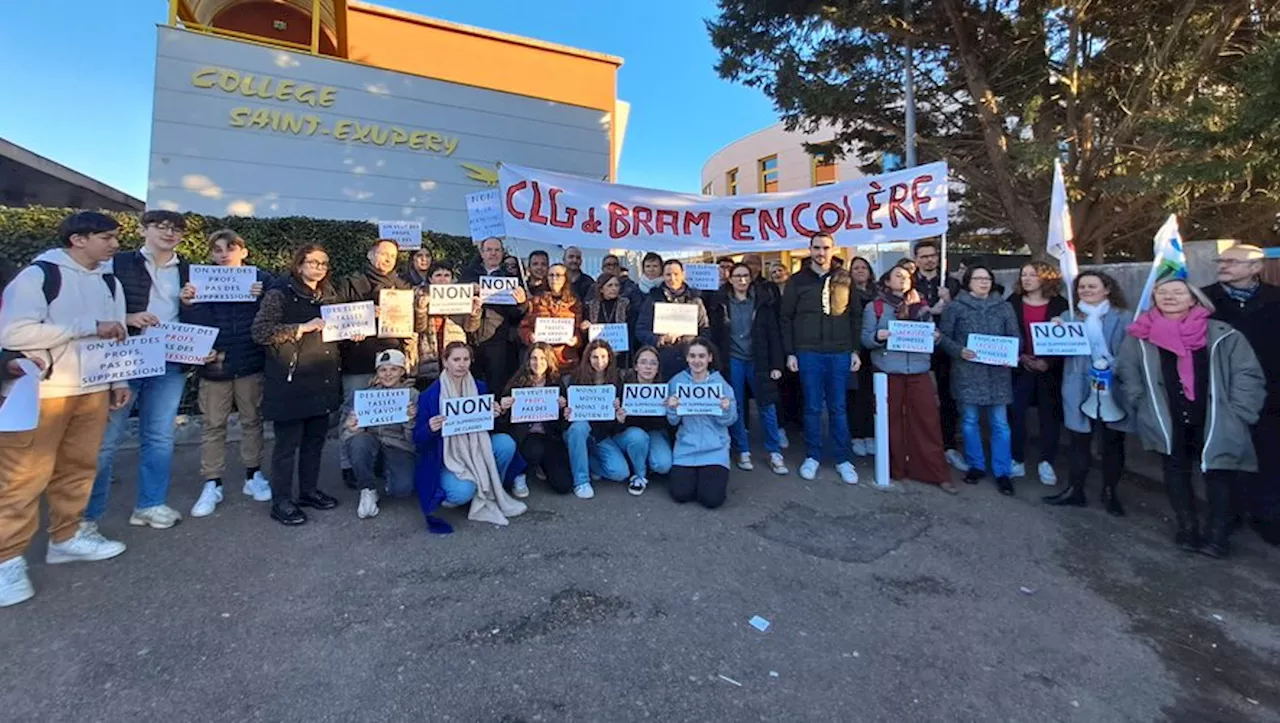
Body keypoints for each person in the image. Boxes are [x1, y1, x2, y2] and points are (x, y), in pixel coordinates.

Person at [0, 212, 130, 608]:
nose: (113, 245)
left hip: (91, 389)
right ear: (78, 239)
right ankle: (6, 559)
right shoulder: (39, 275)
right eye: (106, 238)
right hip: (43, 392)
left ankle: (66, 537)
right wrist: (85, 325)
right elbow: (13, 331)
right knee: (22, 476)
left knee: (79, 466)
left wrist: (118, 381)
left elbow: (118, 331)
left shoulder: (110, 279)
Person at [1118, 279, 1265, 558]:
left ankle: (1218, 535)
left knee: (1219, 476)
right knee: (1175, 473)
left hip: (1216, 417)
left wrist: (1240, 412)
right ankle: (1187, 527)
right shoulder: (1139, 336)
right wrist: (1140, 401)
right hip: (1168, 416)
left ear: (1194, 299)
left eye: (1177, 292)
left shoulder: (1223, 334)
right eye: (1162, 292)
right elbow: (1128, 371)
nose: (1169, 297)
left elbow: (1248, 374)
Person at [87, 210, 196, 530]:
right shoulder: (117, 263)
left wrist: (192, 303)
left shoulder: (188, 269)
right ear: (143, 230)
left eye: (175, 229)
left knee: (160, 436)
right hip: (124, 357)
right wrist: (129, 317)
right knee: (106, 439)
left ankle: (150, 504)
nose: (169, 233)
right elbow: (95, 307)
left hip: (169, 359)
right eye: (160, 227)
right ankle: (86, 517)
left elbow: (198, 312)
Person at [251, 243, 345, 526]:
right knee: (287, 445)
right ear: (299, 264)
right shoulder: (279, 293)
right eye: (313, 262)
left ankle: (308, 491)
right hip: (290, 380)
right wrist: (300, 328)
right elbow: (260, 332)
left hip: (323, 376)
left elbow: (338, 329)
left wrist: (353, 333)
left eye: (323, 263)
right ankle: (281, 500)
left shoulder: (329, 295)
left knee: (315, 441)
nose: (319, 267)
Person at [183, 229, 273, 517]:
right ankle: (212, 482)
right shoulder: (200, 282)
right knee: (213, 425)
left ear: (243, 252)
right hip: (215, 364)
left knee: (252, 420)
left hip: (249, 362)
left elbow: (273, 316)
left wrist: (262, 297)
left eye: (230, 248)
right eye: (218, 250)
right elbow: (192, 323)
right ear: (211, 255)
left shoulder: (262, 280)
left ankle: (253, 475)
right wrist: (188, 303)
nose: (224, 254)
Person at [1202, 244, 1280, 545]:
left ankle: (1268, 515)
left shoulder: (1276, 299)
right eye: (1221, 260)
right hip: (1220, 391)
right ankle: (1227, 515)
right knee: (1224, 456)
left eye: (1231, 261)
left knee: (1270, 455)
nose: (1223, 265)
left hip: (1272, 392)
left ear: (1255, 268)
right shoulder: (1203, 299)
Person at [1043, 271, 1133, 515]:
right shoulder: (1068, 316)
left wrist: (1110, 366)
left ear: (1107, 289)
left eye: (1092, 286)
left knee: (1113, 440)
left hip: (1113, 383)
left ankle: (1110, 492)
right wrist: (1054, 331)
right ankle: (1076, 490)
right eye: (1082, 287)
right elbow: (1056, 347)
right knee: (1078, 440)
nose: (1086, 290)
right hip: (1078, 384)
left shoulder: (1124, 317)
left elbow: (1130, 351)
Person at [414, 342, 525, 531]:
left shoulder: (479, 387)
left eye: (466, 359)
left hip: (477, 448)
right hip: (448, 458)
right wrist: (430, 428)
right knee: (462, 492)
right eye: (456, 359)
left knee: (505, 443)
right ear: (445, 362)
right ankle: (465, 490)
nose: (461, 364)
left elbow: (487, 426)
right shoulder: (430, 395)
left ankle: (488, 485)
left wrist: (496, 413)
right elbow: (417, 440)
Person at [861, 266, 955, 492]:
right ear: (887, 281)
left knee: (928, 422)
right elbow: (865, 339)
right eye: (898, 276)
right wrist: (878, 336)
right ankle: (897, 468)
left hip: (919, 371)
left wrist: (936, 336)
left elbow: (933, 336)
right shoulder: (875, 307)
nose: (903, 279)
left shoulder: (921, 307)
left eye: (907, 277)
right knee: (892, 423)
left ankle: (935, 472)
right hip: (889, 372)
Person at [779, 232, 862, 485]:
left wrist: (855, 350)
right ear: (810, 249)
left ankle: (843, 459)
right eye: (816, 247)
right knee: (813, 407)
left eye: (826, 248)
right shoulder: (797, 281)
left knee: (838, 407)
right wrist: (790, 352)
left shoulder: (845, 279)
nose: (821, 252)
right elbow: (786, 318)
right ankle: (812, 455)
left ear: (832, 249)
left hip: (839, 352)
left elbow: (855, 315)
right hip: (808, 352)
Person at [336, 238, 412, 487]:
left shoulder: (402, 287)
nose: (387, 259)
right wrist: (362, 317)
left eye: (392, 256)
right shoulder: (352, 283)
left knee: (386, 412)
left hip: (390, 359)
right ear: (370, 255)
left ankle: (378, 461)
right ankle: (348, 463)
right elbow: (337, 319)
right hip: (359, 358)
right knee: (353, 410)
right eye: (382, 254)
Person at [938, 265, 1019, 494]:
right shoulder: (955, 307)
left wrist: (1011, 354)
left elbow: (1015, 336)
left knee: (1000, 424)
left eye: (987, 278)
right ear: (968, 281)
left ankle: (1003, 471)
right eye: (978, 278)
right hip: (967, 372)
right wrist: (958, 351)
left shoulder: (1004, 307)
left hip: (998, 375)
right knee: (969, 422)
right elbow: (943, 336)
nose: (984, 282)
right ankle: (976, 465)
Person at [710, 262, 788, 475]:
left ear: (751, 278)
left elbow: (774, 334)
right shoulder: (720, 302)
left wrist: (776, 364)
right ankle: (742, 449)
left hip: (759, 359)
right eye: (737, 276)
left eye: (745, 276)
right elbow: (715, 335)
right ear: (730, 279)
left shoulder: (762, 301)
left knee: (767, 404)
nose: (742, 280)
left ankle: (774, 452)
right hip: (733, 359)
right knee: (735, 405)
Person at [338, 349, 419, 520]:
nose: (388, 374)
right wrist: (351, 429)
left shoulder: (413, 395)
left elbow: (414, 440)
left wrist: (410, 420)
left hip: (399, 445)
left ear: (402, 371)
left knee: (402, 490)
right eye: (383, 370)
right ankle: (367, 489)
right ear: (377, 373)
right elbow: (346, 439)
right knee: (358, 442)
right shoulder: (366, 395)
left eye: (393, 369)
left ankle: (387, 473)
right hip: (372, 443)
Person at [564, 340, 650, 498]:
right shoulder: (576, 378)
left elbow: (617, 423)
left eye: (603, 356)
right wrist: (567, 413)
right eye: (595, 357)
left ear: (610, 357)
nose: (600, 361)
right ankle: (581, 481)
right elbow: (568, 413)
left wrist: (619, 417)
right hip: (581, 432)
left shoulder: (617, 379)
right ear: (588, 358)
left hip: (603, 435)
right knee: (579, 426)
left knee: (620, 473)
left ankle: (586, 461)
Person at [1009, 262, 1070, 486]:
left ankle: (1047, 461)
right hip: (1020, 367)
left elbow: (1069, 340)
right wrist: (1020, 356)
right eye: (1023, 274)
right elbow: (1006, 331)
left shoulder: (1062, 305)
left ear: (1046, 278)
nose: (1026, 279)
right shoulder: (1012, 302)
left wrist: (1049, 362)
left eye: (1032, 275)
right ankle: (1016, 459)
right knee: (1015, 411)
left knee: (1049, 416)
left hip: (1049, 370)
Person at [665, 338, 737, 508]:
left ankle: (707, 477)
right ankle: (696, 476)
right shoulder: (676, 382)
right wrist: (672, 408)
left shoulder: (721, 384)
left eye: (702, 356)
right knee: (680, 495)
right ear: (687, 358)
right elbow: (673, 421)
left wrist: (725, 408)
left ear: (710, 358)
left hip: (715, 449)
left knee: (711, 500)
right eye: (692, 356)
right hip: (686, 447)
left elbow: (730, 420)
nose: (697, 361)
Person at [912, 239, 964, 470]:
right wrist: (929, 310)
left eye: (932, 255)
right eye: (923, 256)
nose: (929, 260)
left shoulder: (952, 283)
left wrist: (949, 300)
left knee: (947, 396)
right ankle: (918, 444)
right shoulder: (909, 282)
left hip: (946, 345)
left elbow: (964, 313)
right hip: (918, 346)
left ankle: (948, 445)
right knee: (918, 397)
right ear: (916, 260)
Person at [497, 343, 573, 497]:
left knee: (564, 485)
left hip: (550, 436)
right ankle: (520, 473)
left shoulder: (555, 382)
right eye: (534, 358)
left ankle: (542, 466)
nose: (538, 363)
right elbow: (502, 424)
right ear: (527, 361)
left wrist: (564, 410)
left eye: (543, 359)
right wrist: (503, 409)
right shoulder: (517, 383)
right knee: (534, 449)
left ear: (549, 361)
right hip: (525, 437)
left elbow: (564, 424)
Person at [459, 237, 528, 395]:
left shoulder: (511, 279)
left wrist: (522, 303)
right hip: (469, 338)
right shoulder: (468, 275)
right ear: (481, 253)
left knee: (496, 386)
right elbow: (455, 302)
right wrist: (468, 291)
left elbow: (517, 315)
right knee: (470, 386)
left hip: (497, 341)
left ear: (502, 253)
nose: (493, 253)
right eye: (489, 250)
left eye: (497, 250)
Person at [411, 263, 482, 390]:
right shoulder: (420, 296)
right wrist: (421, 310)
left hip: (454, 352)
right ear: (430, 279)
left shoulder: (462, 296)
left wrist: (474, 311)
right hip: (429, 352)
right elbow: (419, 328)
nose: (443, 279)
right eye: (438, 275)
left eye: (446, 275)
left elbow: (471, 328)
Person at [636, 259, 711, 379]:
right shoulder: (653, 299)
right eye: (668, 274)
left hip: (690, 363)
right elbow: (641, 330)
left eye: (676, 274)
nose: (672, 278)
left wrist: (694, 348)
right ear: (663, 276)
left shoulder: (695, 300)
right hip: (663, 361)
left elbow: (705, 330)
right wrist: (659, 340)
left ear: (683, 275)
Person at [623, 345, 675, 491]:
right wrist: (620, 417)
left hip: (654, 433)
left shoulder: (664, 388)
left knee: (664, 465)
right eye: (643, 362)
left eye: (653, 363)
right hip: (628, 434)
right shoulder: (624, 386)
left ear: (658, 368)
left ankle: (644, 460)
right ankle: (639, 475)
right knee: (638, 436)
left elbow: (669, 424)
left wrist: (669, 409)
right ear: (636, 366)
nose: (648, 367)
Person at [519, 263, 583, 370]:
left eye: (558, 275)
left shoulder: (575, 303)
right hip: (540, 363)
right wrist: (530, 336)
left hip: (566, 361)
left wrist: (576, 340)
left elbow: (579, 331)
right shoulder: (535, 301)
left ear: (565, 279)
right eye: (551, 275)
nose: (554, 278)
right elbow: (523, 327)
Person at [846, 256, 877, 456]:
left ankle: (871, 434)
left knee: (871, 393)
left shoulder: (879, 293)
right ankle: (856, 435)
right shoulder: (846, 293)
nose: (860, 270)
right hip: (853, 348)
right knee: (853, 394)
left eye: (863, 267)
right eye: (855, 267)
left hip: (874, 349)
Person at [583, 271, 636, 365]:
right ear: (601, 289)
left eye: (616, 285)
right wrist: (586, 327)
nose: (614, 288)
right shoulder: (590, 306)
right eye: (610, 285)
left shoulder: (626, 305)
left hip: (621, 356)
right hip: (598, 355)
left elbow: (630, 329)